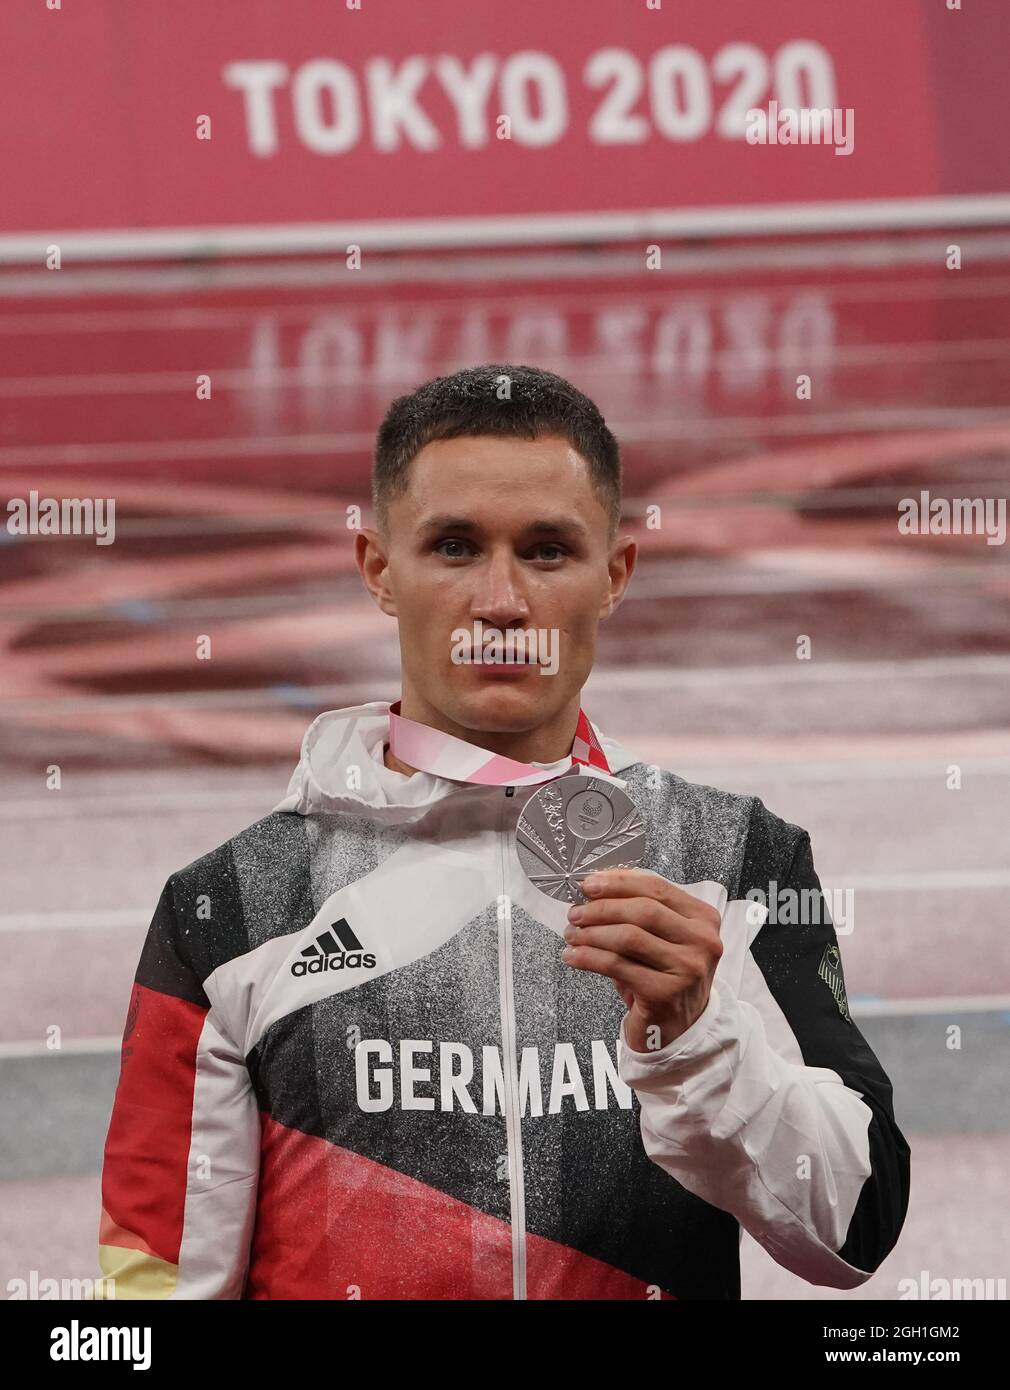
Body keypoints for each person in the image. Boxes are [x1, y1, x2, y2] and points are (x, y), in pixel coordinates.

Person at [95, 363, 910, 1300]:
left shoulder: (733, 861)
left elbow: (858, 1231)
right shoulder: (230, 906)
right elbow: (153, 1292)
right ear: (378, 570)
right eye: (453, 546)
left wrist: (702, 1043)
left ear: (615, 576)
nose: (502, 602)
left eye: (549, 551)